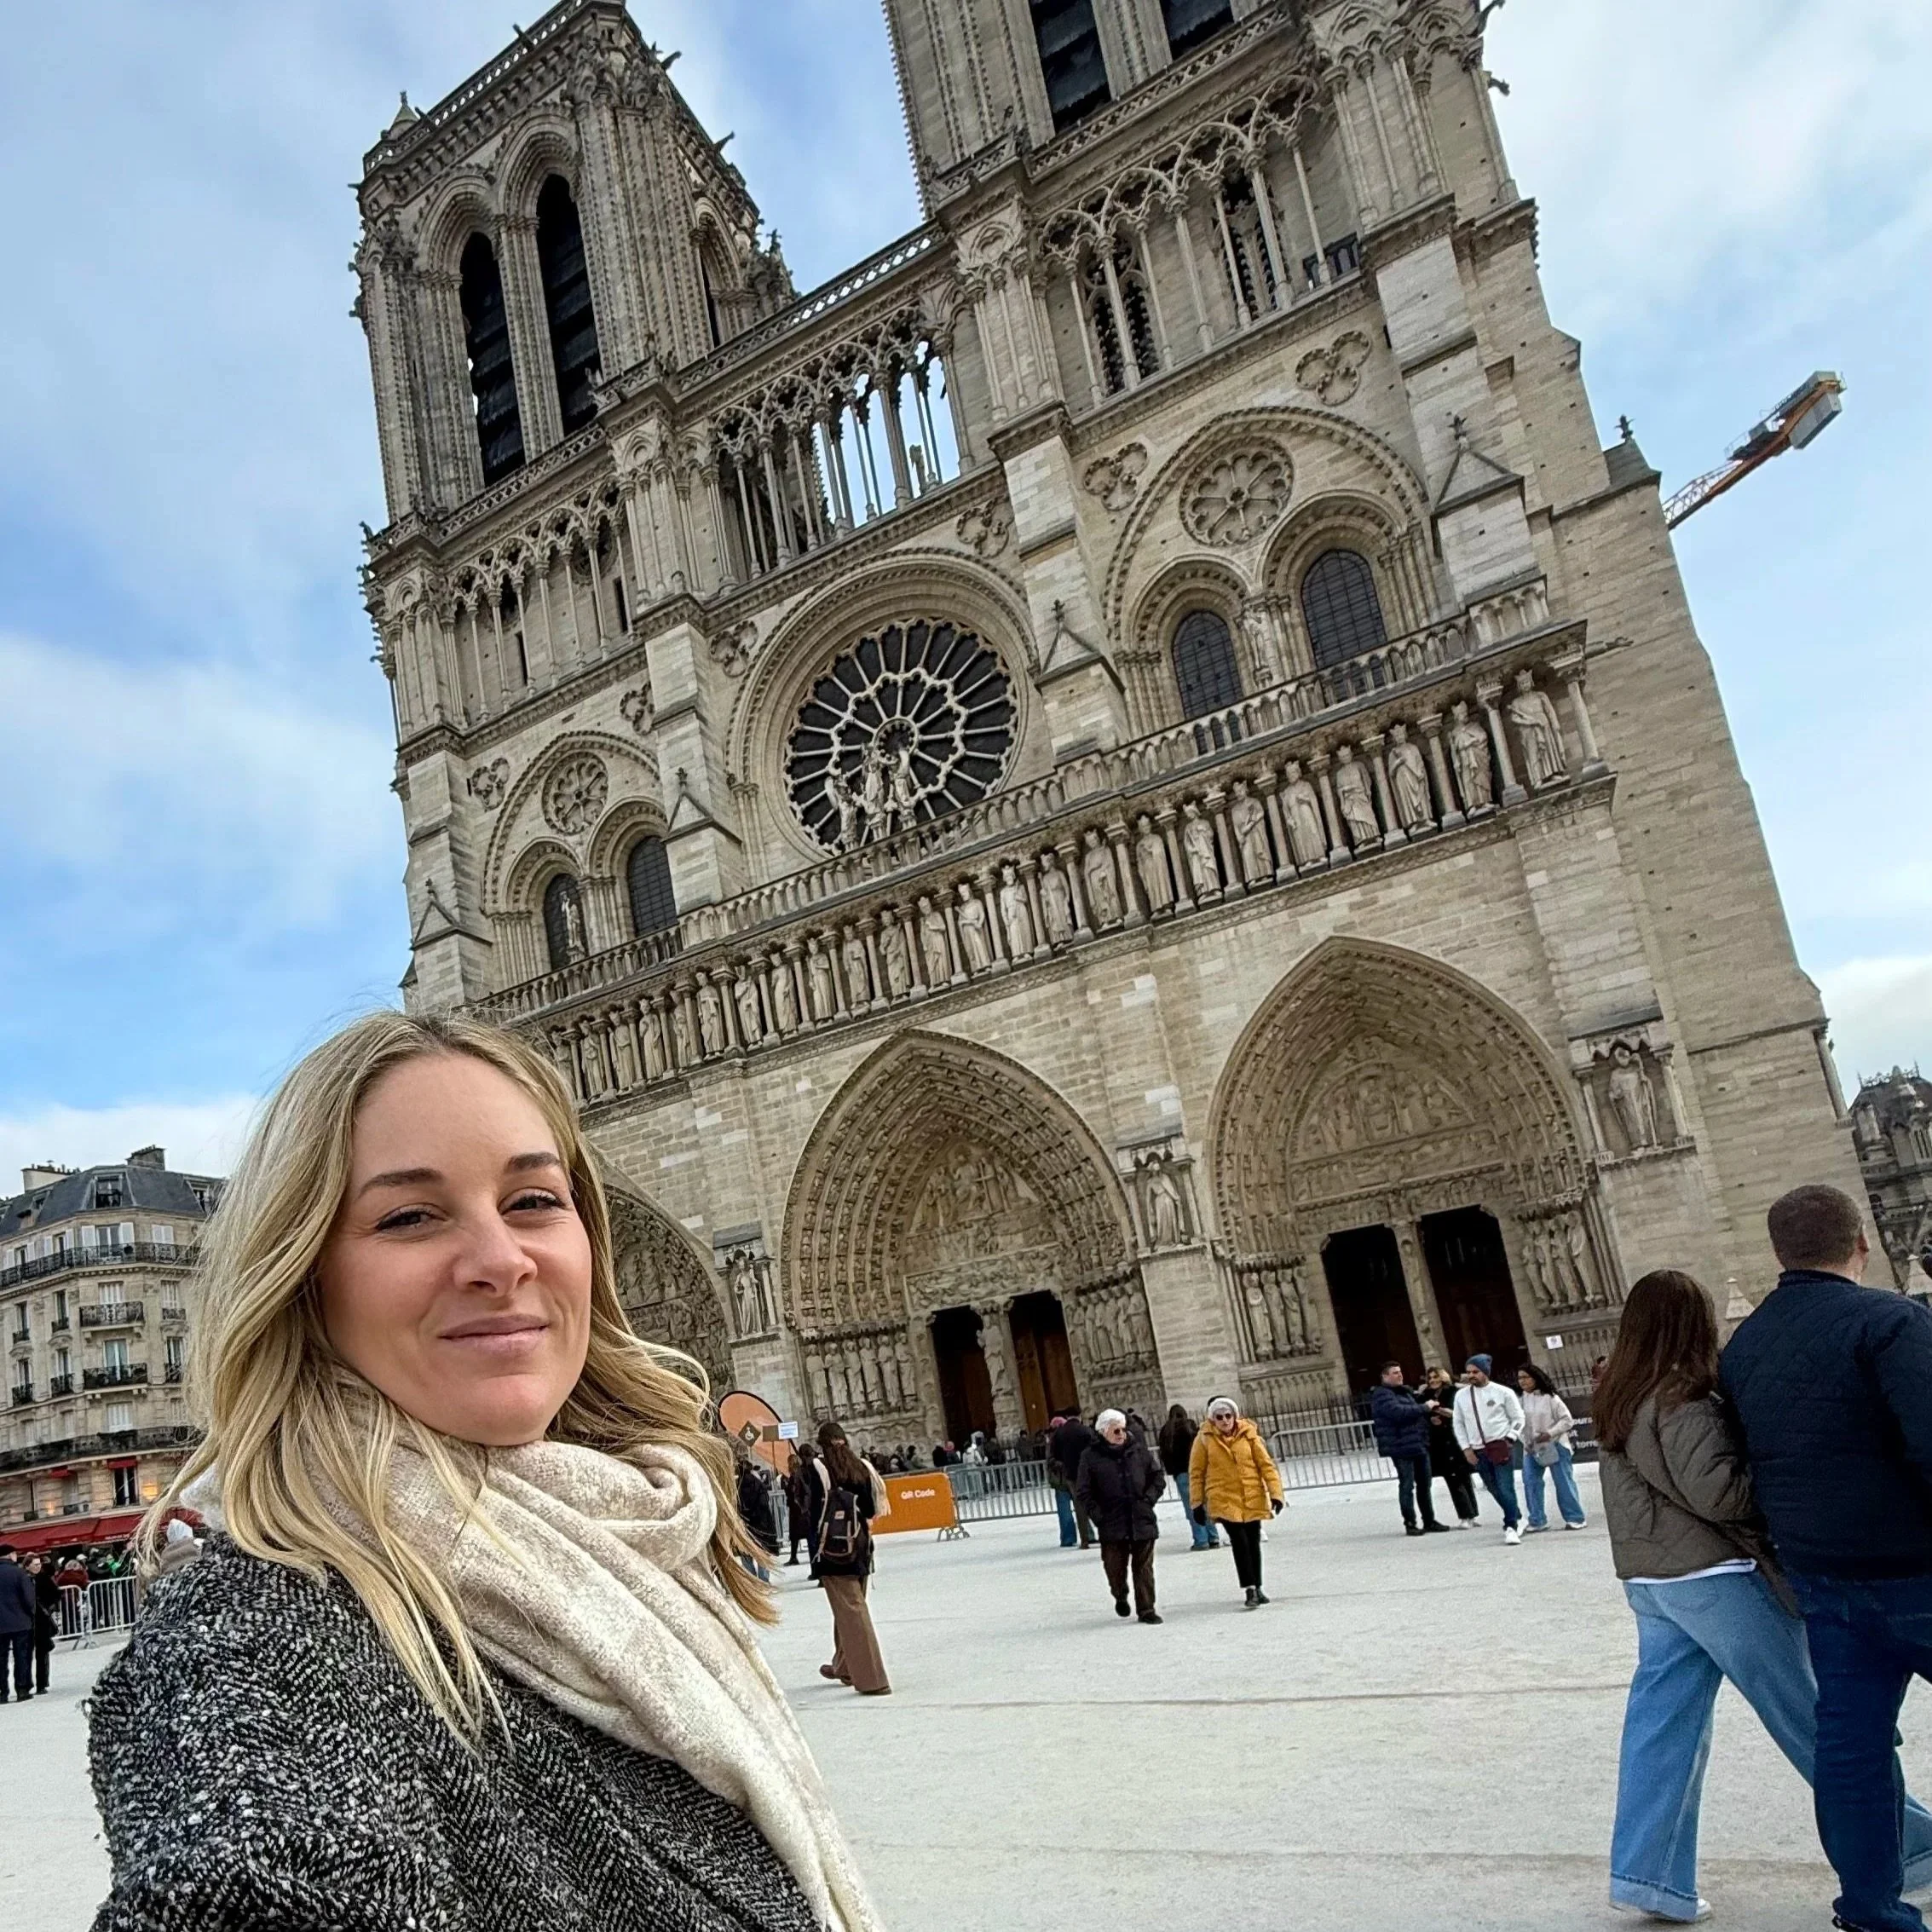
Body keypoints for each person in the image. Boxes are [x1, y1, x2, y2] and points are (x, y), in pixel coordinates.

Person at [88, 1010, 880, 1931]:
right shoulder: (258, 1639)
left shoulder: (640, 1547)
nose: (500, 1261)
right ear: (301, 1275)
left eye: (534, 1200)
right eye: (410, 1215)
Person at [1599, 1266, 1932, 1923]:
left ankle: (1647, 1872)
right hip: (1714, 1577)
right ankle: (1911, 1844)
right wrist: (1778, 1485)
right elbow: (1716, 1491)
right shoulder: (1680, 1395)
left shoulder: (1617, 1392)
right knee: (1816, 1718)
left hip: (1650, 1581)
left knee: (1661, 1727)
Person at [1722, 1183, 1932, 1932]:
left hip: (1823, 1578)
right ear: (1862, 1242)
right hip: (1915, 1568)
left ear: (1778, 1252)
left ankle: (1870, 1907)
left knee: (1851, 1750)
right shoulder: (1889, 1319)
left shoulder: (1743, 1345)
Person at [804, 1423, 891, 1698]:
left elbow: (812, 1509)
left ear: (821, 1443)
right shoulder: (861, 1466)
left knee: (852, 1611)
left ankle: (872, 1678)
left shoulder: (820, 1469)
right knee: (850, 1607)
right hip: (861, 1546)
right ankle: (844, 1665)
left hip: (833, 1549)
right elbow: (870, 1509)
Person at [1189, 1397, 1284, 1609]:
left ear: (1235, 1416)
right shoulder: (1204, 1439)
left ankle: (1258, 1586)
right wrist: (1196, 1503)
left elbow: (1266, 1466)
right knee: (1239, 1542)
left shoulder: (1250, 1436)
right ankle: (1249, 1588)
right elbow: (1196, 1473)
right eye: (1219, 1417)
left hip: (1251, 1495)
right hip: (1224, 1498)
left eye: (1228, 1416)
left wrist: (1276, 1494)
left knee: (1253, 1542)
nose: (1224, 1421)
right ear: (1212, 1419)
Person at [1073, 1409, 1164, 1623]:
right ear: (1104, 1432)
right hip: (1111, 1521)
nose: (1121, 1434)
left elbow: (1157, 1476)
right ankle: (1120, 1594)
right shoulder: (1090, 1457)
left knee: (1143, 1567)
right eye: (1116, 1430)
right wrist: (1098, 1515)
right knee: (1114, 1567)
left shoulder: (1138, 1451)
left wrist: (1148, 1499)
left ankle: (1146, 1609)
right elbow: (1083, 1491)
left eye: (1123, 1429)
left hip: (1140, 1517)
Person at [1453, 1353, 1525, 1544]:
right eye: (1468, 1372)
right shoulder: (1461, 1396)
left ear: (1485, 1372)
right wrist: (1466, 1448)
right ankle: (1516, 1514)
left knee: (1505, 1486)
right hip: (1477, 1449)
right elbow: (1458, 1423)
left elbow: (1518, 1418)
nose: (1471, 1376)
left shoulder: (1503, 1392)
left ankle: (1510, 1526)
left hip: (1500, 1445)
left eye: (1475, 1372)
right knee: (1493, 1487)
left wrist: (1510, 1438)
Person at [1369, 1363, 1445, 1537]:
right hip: (1400, 1446)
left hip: (1417, 1443)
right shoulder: (1382, 1395)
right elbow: (1398, 1413)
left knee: (1425, 1484)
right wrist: (1425, 1408)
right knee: (1407, 1484)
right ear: (1385, 1376)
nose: (1400, 1375)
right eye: (1395, 1373)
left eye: (1400, 1372)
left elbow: (1414, 1412)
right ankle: (1410, 1522)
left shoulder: (1404, 1392)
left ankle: (1429, 1519)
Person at [1516, 1364, 1587, 1531]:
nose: (1522, 1381)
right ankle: (1537, 1519)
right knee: (1531, 1482)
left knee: (1563, 1482)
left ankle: (1575, 1518)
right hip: (1531, 1448)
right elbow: (1517, 1424)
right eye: (1520, 1378)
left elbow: (1567, 1420)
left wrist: (1550, 1433)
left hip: (1555, 1445)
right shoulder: (1520, 1400)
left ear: (1536, 1378)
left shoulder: (1551, 1398)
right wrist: (1526, 1441)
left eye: (1526, 1377)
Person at [1422, 1367, 1479, 1527]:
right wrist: (1430, 1418)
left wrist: (1439, 1411)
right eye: (1430, 1378)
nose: (1433, 1380)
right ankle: (1466, 1514)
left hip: (1456, 1439)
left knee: (1464, 1477)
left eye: (1436, 1377)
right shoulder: (1425, 1395)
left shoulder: (1453, 1392)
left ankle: (1470, 1515)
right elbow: (1422, 1414)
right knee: (1453, 1479)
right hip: (1439, 1443)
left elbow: (1457, 1413)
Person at [1157, 1404, 1219, 1551]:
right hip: (1198, 1471)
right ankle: (1213, 1537)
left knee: (1192, 1508)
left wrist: (1173, 1472)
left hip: (1181, 1473)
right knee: (1205, 1505)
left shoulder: (1166, 1431)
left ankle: (1201, 1539)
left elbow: (1164, 1455)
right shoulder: (1191, 1427)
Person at [1050, 1412, 1099, 1549]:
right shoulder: (1086, 1431)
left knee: (1079, 1507)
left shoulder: (1059, 1434)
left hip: (1070, 1475)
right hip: (1088, 1473)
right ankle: (1102, 1533)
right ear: (1080, 1416)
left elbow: (1054, 1456)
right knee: (1095, 1503)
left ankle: (1083, 1540)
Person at [0, 1545, 37, 1702]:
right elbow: (29, 1598)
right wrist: (31, 1614)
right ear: (10, 1555)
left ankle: (2, 1692)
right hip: (20, 1622)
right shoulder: (19, 1573)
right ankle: (22, 1689)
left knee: (1, 1659)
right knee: (21, 1656)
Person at [735, 1453, 779, 1582]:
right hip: (761, 1523)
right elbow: (764, 1503)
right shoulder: (758, 1484)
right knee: (762, 1551)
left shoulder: (737, 1486)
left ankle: (753, 1579)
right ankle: (764, 1579)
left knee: (745, 1553)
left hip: (746, 1524)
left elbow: (737, 1506)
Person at [28, 1554, 57, 1695]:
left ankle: (42, 1683)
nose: (37, 1567)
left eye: (39, 1564)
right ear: (27, 1565)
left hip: (41, 1620)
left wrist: (49, 1607)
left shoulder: (44, 1578)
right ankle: (26, 1684)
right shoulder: (24, 1579)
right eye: (35, 1564)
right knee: (26, 1654)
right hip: (27, 1620)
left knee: (42, 1652)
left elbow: (56, 1594)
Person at [782, 1448, 815, 1567]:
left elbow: (795, 1492)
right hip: (800, 1509)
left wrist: (787, 1487)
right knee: (800, 1535)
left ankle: (794, 1557)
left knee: (798, 1534)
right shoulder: (800, 1473)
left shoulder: (795, 1475)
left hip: (797, 1510)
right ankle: (794, 1556)